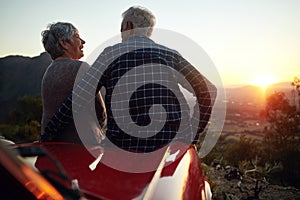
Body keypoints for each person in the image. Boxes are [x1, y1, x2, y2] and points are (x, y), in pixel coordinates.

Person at [41, 6, 216, 152]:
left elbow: (78, 99)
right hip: (170, 147)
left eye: (122, 30)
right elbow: (209, 90)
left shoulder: (111, 54)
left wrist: (47, 135)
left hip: (124, 149)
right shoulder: (170, 55)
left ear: (129, 25)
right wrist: (190, 135)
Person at [40, 22, 106, 144]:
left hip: (51, 144)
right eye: (77, 36)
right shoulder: (81, 68)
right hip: (82, 145)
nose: (83, 42)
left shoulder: (48, 72)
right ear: (64, 43)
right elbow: (100, 112)